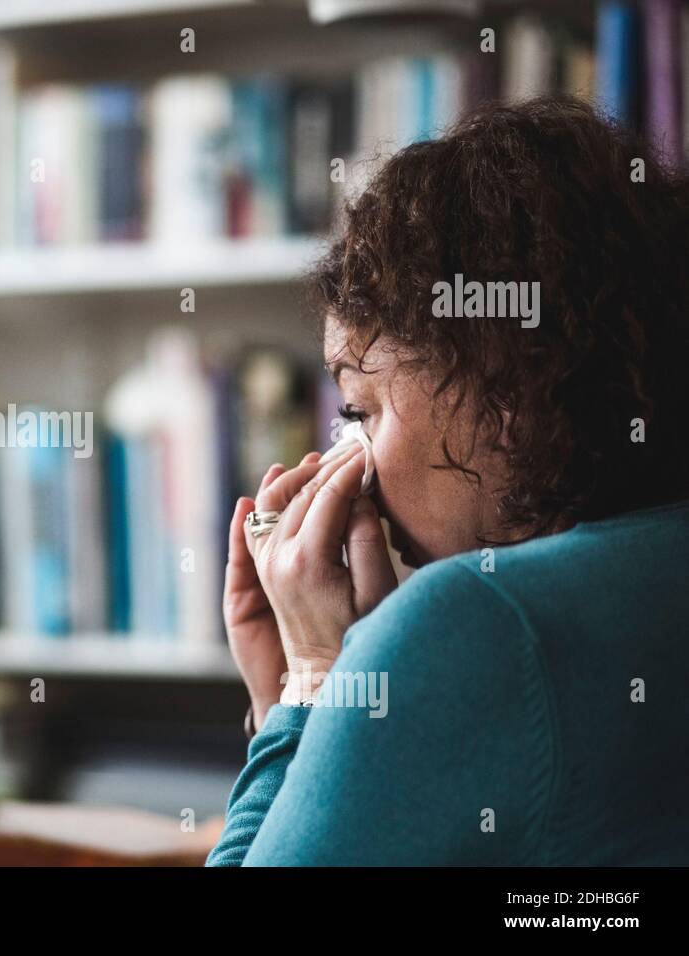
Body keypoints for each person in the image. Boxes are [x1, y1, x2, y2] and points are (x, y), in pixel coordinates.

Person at [209, 96, 689, 866]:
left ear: (503, 394)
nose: (348, 467)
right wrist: (301, 720)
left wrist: (314, 682)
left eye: (359, 410)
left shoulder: (470, 624)